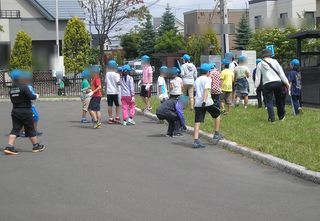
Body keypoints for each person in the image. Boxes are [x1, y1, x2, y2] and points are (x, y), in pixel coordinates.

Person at [4, 69, 45, 155]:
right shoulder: (24, 87)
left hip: (15, 111)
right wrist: (37, 95)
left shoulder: (12, 89)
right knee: (30, 129)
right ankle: (36, 146)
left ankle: (10, 146)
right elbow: (31, 97)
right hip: (25, 111)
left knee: (15, 129)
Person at [255, 49, 290, 122]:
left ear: (263, 56)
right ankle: (281, 117)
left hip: (267, 84)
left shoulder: (260, 64)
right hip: (277, 83)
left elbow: (257, 78)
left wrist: (256, 86)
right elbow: (281, 73)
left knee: (269, 101)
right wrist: (287, 83)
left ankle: (272, 118)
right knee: (279, 100)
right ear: (270, 55)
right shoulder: (275, 61)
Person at [193, 64, 223, 149]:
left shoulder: (197, 80)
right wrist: (204, 101)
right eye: (209, 71)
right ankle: (216, 134)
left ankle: (196, 140)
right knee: (217, 114)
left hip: (198, 103)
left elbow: (195, 91)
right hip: (206, 102)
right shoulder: (207, 79)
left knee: (197, 121)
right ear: (208, 72)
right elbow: (206, 89)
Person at [105, 60, 121, 124]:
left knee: (110, 105)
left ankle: (110, 118)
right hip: (115, 92)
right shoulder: (116, 74)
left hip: (109, 92)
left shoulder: (107, 74)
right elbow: (118, 83)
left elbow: (106, 83)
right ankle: (117, 117)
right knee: (117, 105)